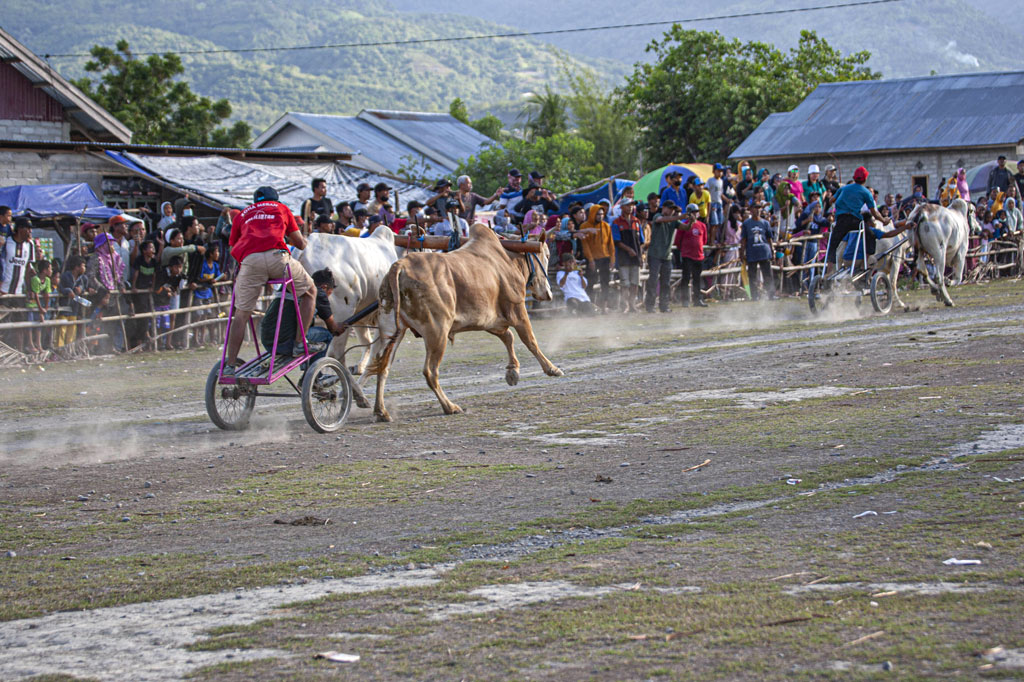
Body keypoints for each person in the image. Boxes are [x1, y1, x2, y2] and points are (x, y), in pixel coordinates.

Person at [224, 186, 314, 374]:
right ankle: (299, 342)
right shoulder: (281, 208)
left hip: (250, 262)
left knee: (241, 314)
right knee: (310, 292)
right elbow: (300, 244)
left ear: (255, 201)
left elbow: (233, 245)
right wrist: (304, 237)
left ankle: (230, 364)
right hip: (277, 258)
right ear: (276, 199)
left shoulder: (242, 214)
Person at [260, 267, 339, 362]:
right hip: (286, 344)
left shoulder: (290, 286)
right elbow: (333, 327)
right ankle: (316, 374)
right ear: (324, 287)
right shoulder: (318, 292)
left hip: (267, 342)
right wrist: (340, 327)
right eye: (329, 293)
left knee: (305, 331)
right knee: (326, 335)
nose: (327, 297)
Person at [825, 166, 886, 278]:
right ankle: (865, 263)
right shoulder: (866, 192)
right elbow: (874, 213)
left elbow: (830, 200)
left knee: (833, 244)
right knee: (870, 236)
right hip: (855, 221)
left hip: (841, 220)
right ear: (865, 179)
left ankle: (828, 271)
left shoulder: (844, 188)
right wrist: (884, 220)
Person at [644, 199, 679, 313]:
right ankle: (650, 305)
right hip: (655, 255)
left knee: (666, 282)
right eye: (669, 208)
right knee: (653, 280)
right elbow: (661, 219)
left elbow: (685, 227)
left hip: (666, 256)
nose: (671, 211)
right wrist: (680, 216)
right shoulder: (658, 216)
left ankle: (664, 306)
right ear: (663, 208)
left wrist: (691, 220)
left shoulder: (673, 220)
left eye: (673, 209)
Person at [578, 204, 614, 313]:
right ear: (593, 214)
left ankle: (604, 307)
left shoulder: (606, 226)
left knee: (605, 283)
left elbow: (610, 244)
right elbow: (585, 245)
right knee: (591, 283)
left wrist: (612, 260)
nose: (600, 216)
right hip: (592, 259)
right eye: (598, 214)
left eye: (602, 214)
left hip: (605, 258)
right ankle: (590, 307)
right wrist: (591, 260)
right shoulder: (584, 226)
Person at [612, 199, 644, 313]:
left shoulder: (636, 222)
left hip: (635, 257)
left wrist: (640, 257)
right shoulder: (616, 222)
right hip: (623, 257)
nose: (630, 207)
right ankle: (625, 305)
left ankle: (632, 305)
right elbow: (617, 241)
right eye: (627, 205)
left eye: (631, 205)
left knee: (635, 283)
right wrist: (629, 250)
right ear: (621, 207)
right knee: (625, 283)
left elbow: (640, 242)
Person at [741, 203, 777, 301]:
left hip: (764, 251)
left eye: (759, 208)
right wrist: (742, 252)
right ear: (751, 210)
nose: (757, 210)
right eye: (755, 208)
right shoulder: (746, 224)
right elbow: (744, 239)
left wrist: (772, 250)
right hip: (752, 251)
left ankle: (771, 294)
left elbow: (769, 238)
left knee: (767, 274)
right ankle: (754, 295)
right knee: (752, 275)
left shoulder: (765, 223)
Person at [675, 203, 708, 307]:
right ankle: (685, 300)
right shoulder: (683, 224)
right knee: (686, 278)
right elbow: (678, 241)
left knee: (697, 278)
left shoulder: (702, 225)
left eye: (696, 212)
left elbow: (704, 240)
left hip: (698, 256)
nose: (695, 214)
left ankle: (697, 299)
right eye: (692, 212)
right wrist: (684, 250)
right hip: (687, 256)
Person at [193, 244, 225, 346]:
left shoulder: (215, 265)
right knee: (198, 316)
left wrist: (218, 278)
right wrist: (209, 280)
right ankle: (195, 338)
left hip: (208, 294)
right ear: (211, 254)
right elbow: (199, 278)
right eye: (216, 252)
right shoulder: (203, 265)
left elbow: (220, 275)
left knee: (206, 316)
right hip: (199, 293)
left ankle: (202, 339)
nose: (218, 254)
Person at [26, 259, 52, 353]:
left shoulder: (47, 280)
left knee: (39, 325)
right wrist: (41, 309)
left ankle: (39, 344)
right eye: (50, 269)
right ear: (44, 270)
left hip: (40, 305)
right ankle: (30, 344)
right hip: (32, 304)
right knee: (30, 324)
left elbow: (47, 295)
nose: (51, 271)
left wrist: (45, 308)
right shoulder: (35, 279)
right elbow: (36, 295)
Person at [706, 164, 725, 244]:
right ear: (714, 171)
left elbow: (721, 193)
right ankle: (712, 241)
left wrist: (727, 200)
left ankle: (719, 240)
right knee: (714, 223)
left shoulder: (721, 181)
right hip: (713, 203)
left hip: (719, 203)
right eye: (718, 171)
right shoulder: (710, 180)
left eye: (721, 171)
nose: (720, 173)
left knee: (720, 223)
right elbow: (706, 190)